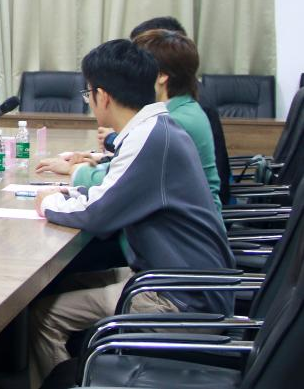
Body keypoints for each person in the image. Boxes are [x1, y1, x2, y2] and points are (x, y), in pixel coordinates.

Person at [27, 40, 234, 388]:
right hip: (177, 278)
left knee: (43, 316)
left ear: (102, 96)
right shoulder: (155, 128)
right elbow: (113, 192)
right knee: (64, 283)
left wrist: (47, 203)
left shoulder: (149, 138)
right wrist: (68, 193)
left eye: (88, 93)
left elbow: (98, 215)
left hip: (179, 299)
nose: (89, 101)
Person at [36, 29, 221, 212]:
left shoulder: (166, 124)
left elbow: (110, 197)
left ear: (161, 75)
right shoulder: (162, 118)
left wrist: (72, 173)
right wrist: (98, 162)